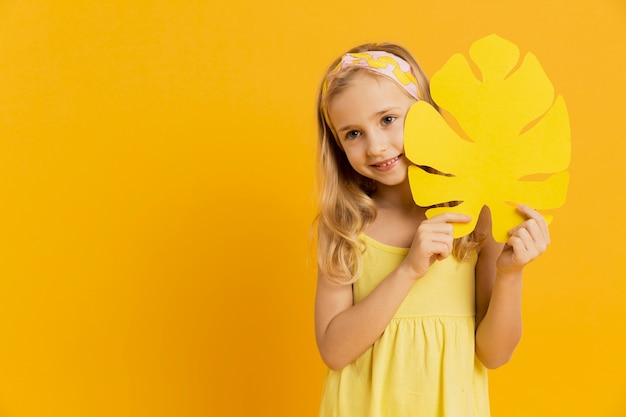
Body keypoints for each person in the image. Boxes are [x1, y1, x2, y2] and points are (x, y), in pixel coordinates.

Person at [313, 43, 550, 416]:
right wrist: (409, 270)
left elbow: (495, 353)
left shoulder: (474, 219)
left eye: (388, 119)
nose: (376, 146)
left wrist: (510, 274)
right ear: (338, 145)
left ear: (425, 114)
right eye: (353, 134)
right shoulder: (345, 227)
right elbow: (334, 351)